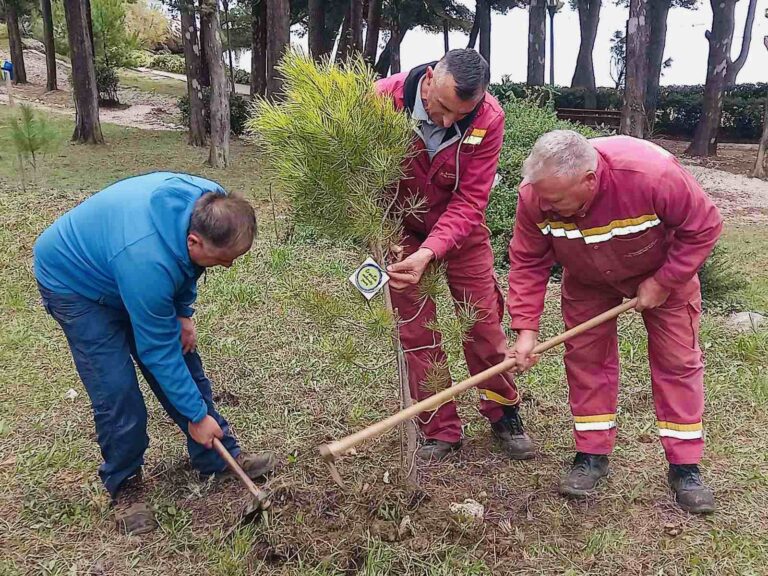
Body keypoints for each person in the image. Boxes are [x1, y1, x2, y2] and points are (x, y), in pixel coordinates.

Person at [33, 172, 276, 534]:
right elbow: (157, 351)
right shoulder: (147, 261)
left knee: (184, 354)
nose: (229, 266)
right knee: (117, 390)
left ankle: (215, 454)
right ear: (194, 240)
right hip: (76, 284)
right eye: (224, 259)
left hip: (125, 265)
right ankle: (125, 483)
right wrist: (195, 415)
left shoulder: (209, 203)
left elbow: (187, 268)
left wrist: (183, 311)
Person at [507, 131, 723, 514]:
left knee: (677, 363)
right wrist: (526, 329)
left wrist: (663, 281)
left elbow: (704, 226)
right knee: (587, 363)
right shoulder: (536, 195)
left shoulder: (651, 175)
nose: (547, 206)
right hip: (586, 280)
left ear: (589, 180)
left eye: (555, 200)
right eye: (542, 197)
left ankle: (685, 467)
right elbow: (528, 261)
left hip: (663, 273)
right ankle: (591, 456)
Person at [375, 49, 535, 462]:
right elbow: (359, 184)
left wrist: (432, 250)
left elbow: (470, 200)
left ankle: (502, 411)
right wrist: (381, 234)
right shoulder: (379, 103)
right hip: (399, 233)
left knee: (482, 320)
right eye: (441, 107)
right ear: (428, 78)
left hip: (461, 230)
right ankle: (439, 429)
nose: (447, 121)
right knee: (415, 329)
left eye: (458, 114)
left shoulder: (488, 118)